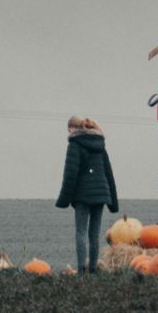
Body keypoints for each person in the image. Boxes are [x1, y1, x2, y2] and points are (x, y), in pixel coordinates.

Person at [55, 116, 119, 272]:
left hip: (82, 195)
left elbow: (70, 175)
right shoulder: (100, 144)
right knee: (94, 234)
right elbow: (108, 173)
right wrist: (113, 202)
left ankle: (82, 271)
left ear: (71, 128)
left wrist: (63, 200)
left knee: (81, 233)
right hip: (101, 193)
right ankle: (93, 271)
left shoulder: (74, 144)